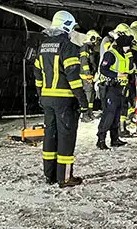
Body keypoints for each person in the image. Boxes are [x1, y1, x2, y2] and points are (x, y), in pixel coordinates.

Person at [34, 10, 88, 187]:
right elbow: (73, 77)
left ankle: (49, 175)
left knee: (50, 135)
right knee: (66, 137)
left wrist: (41, 93)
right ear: (66, 27)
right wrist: (83, 102)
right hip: (64, 100)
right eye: (72, 28)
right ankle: (64, 178)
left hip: (47, 98)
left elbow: (37, 74)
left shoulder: (42, 46)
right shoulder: (68, 47)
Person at [96, 32, 133, 150]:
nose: (129, 48)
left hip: (120, 89)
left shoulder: (124, 55)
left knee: (117, 115)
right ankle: (101, 140)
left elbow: (130, 69)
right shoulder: (110, 54)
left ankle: (114, 139)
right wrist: (117, 75)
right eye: (127, 45)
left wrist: (130, 56)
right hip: (110, 88)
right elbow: (103, 69)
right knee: (108, 115)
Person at [79, 30, 101, 122]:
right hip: (85, 76)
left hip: (90, 75)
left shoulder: (89, 48)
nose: (96, 42)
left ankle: (89, 112)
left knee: (91, 94)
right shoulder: (85, 48)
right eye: (95, 39)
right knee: (88, 94)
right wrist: (88, 74)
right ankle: (84, 115)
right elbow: (84, 62)